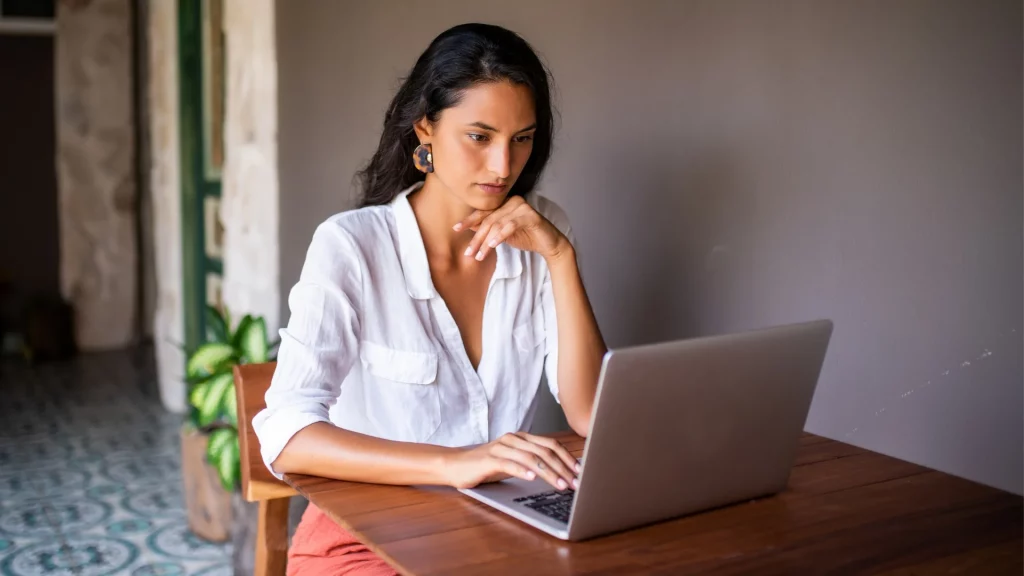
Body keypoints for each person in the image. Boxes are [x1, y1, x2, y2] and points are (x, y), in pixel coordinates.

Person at [253, 22, 607, 575]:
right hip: (362, 538)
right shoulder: (352, 246)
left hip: (494, 527)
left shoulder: (542, 232)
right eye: (479, 136)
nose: (503, 167)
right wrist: (458, 463)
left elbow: (588, 414)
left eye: (522, 138)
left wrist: (560, 258)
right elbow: (287, 434)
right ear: (425, 129)